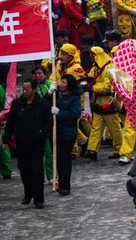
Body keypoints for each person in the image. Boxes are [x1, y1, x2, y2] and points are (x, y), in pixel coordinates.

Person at [3, 79, 52, 208]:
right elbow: (10, 123)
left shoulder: (43, 104)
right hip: (21, 142)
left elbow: (48, 123)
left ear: (34, 89)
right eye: (23, 89)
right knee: (24, 169)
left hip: (36, 143)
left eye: (27, 89)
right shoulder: (17, 104)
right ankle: (28, 193)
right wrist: (6, 140)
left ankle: (38, 198)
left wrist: (41, 134)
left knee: (37, 170)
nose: (24, 92)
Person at [84, 47, 123, 160]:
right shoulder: (95, 68)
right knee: (96, 128)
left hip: (108, 102)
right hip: (98, 102)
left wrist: (92, 87)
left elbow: (107, 86)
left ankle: (119, 150)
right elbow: (90, 78)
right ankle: (92, 150)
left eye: (92, 56)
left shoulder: (109, 68)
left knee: (114, 128)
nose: (91, 58)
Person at [48, 74, 82, 196]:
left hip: (67, 133)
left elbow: (75, 114)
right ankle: (60, 182)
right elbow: (44, 104)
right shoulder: (56, 95)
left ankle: (65, 186)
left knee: (64, 159)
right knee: (57, 159)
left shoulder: (74, 98)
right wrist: (49, 93)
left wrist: (59, 113)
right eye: (60, 82)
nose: (60, 84)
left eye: (63, 82)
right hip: (54, 131)